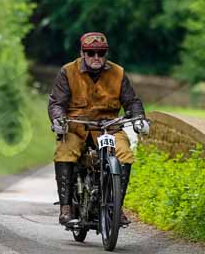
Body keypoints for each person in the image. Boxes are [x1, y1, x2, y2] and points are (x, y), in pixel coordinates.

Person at [48, 31, 149, 226]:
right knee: (65, 152)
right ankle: (66, 208)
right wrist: (59, 120)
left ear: (106, 54)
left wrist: (138, 119)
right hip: (76, 127)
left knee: (125, 153)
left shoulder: (118, 73)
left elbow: (132, 101)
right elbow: (56, 103)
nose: (96, 57)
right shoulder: (68, 71)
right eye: (91, 52)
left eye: (101, 53)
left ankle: (116, 208)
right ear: (82, 52)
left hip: (109, 127)